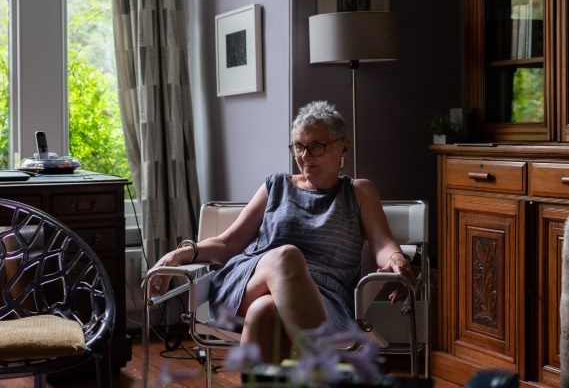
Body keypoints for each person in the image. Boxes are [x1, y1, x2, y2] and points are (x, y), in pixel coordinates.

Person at [146, 100, 414, 363]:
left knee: (265, 311)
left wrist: (397, 259)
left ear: (343, 146)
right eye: (299, 146)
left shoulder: (359, 192)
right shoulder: (276, 186)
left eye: (316, 146)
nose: (305, 156)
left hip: (324, 301)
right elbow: (228, 244)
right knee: (286, 256)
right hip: (247, 283)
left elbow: (382, 244)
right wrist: (182, 253)